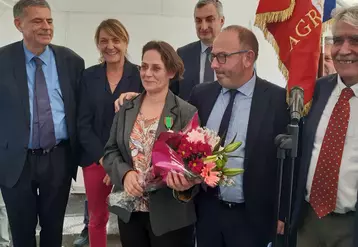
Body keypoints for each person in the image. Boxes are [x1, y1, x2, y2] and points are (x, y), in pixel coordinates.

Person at [189, 25, 289, 247]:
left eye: (222, 57)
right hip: (207, 213)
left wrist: (282, 212)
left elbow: (287, 165)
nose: (214, 65)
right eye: (213, 57)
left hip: (251, 219)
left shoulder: (278, 100)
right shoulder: (201, 95)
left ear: (248, 58)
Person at [0, 0, 85, 246]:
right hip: (16, 161)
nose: (46, 26)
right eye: (37, 21)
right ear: (19, 24)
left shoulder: (72, 61)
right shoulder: (3, 62)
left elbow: (81, 108)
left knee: (53, 228)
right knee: (21, 230)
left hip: (57, 158)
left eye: (49, 20)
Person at [103, 41, 199, 247]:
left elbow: (194, 164)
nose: (147, 73)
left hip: (170, 217)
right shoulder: (126, 108)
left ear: (171, 72)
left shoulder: (186, 113)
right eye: (144, 66)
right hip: (130, 212)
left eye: (156, 68)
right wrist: (125, 174)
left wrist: (186, 182)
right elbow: (111, 152)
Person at [292, 5, 358, 247]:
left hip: (352, 227)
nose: (343, 50)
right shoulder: (317, 90)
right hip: (308, 221)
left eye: (355, 40)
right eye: (338, 40)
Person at [77, 18, 143, 247]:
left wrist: (119, 163)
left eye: (116, 39)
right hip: (96, 159)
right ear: (97, 44)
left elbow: (143, 124)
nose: (110, 45)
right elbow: (82, 124)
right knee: (97, 219)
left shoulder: (141, 75)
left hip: (132, 161)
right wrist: (105, 160)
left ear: (125, 42)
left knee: (135, 218)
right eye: (103, 41)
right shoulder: (88, 76)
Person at [169, 0, 224, 100]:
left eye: (209, 19)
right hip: (190, 115)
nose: (203, 27)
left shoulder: (237, 54)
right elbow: (172, 97)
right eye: (198, 21)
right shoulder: (182, 54)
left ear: (221, 21)